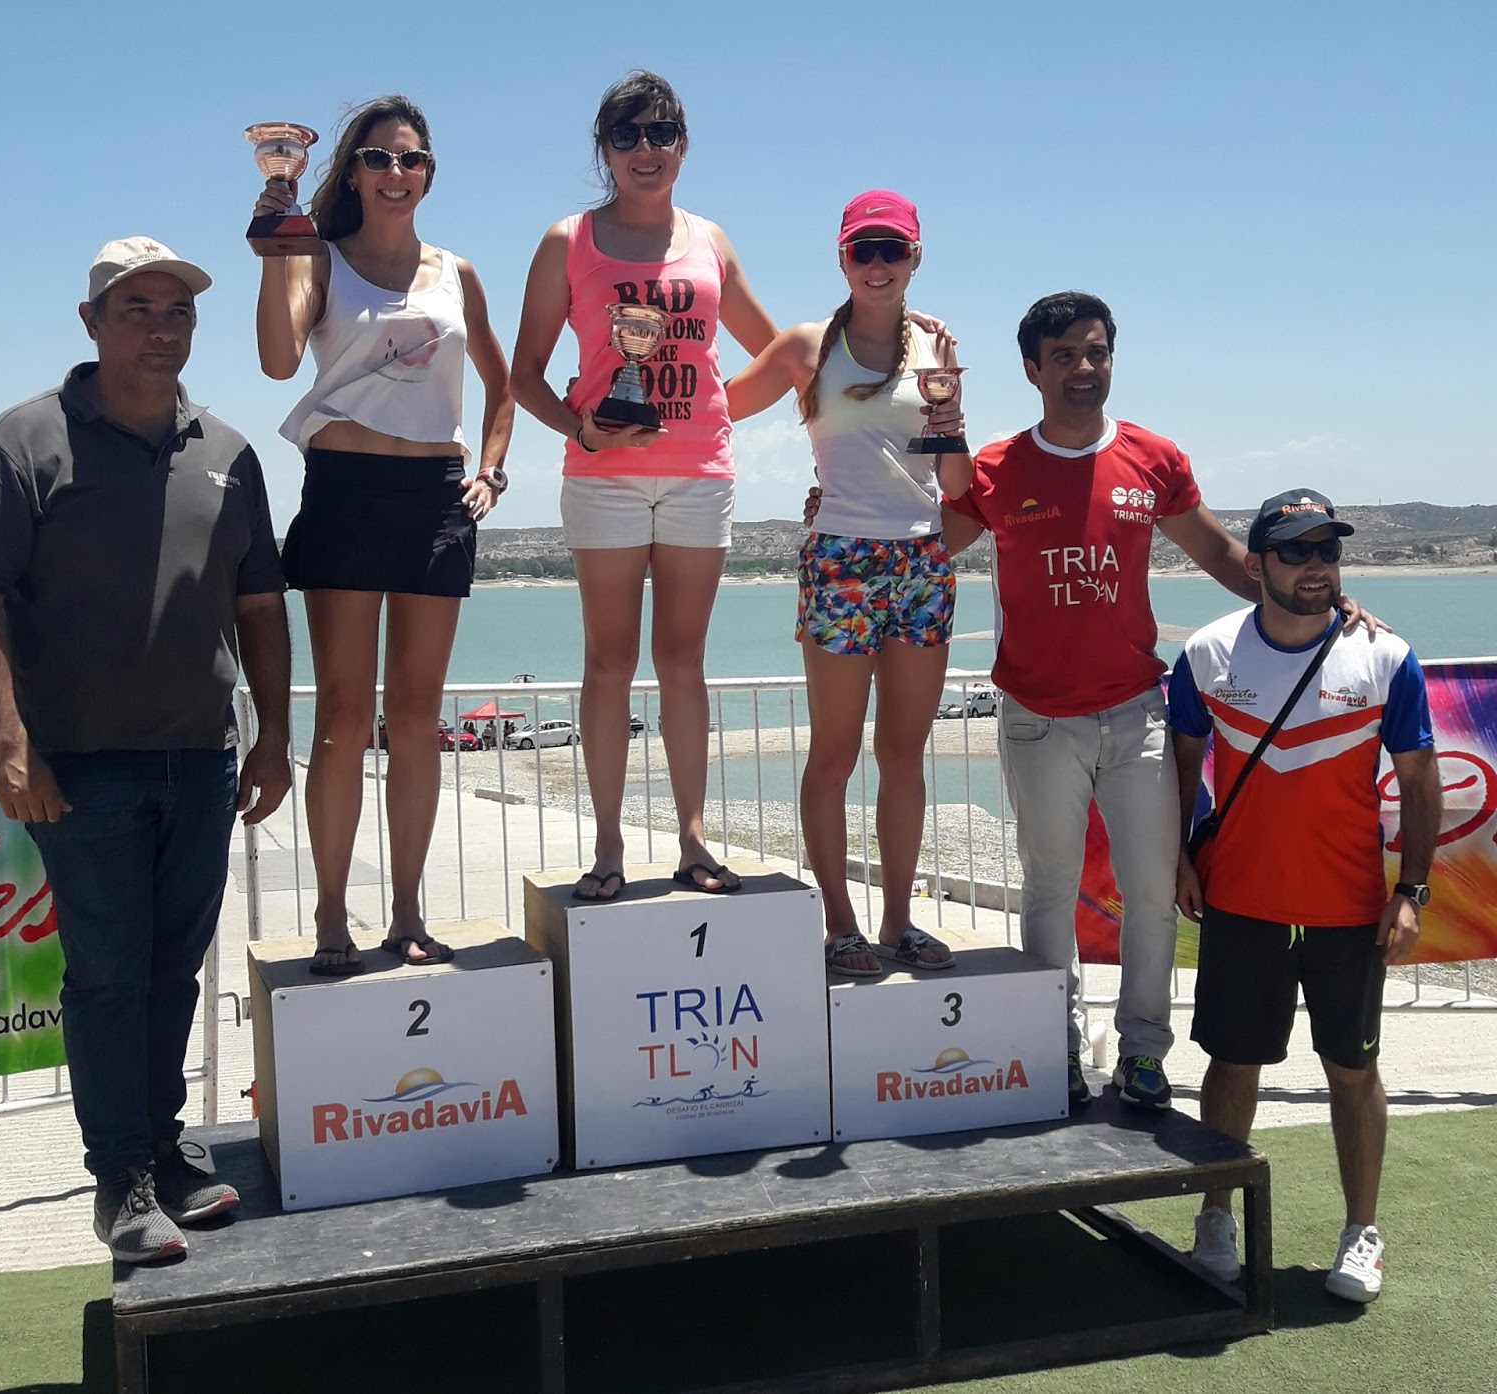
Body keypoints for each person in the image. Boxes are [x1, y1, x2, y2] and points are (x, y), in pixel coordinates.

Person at [922, 291, 1380, 1110]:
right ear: (1031, 370)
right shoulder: (997, 468)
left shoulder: (1153, 458)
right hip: (1036, 720)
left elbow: (1222, 554)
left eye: (1097, 352)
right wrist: (841, 520)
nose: (1084, 368)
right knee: (1050, 892)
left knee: (1151, 893)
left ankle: (1141, 1054)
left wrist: (1317, 597)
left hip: (1137, 713)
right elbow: (927, 550)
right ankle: (1055, 1050)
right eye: (1064, 355)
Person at [0, 237, 292, 1263]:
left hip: (201, 759)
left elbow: (260, 604)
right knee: (107, 976)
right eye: (136, 309)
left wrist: (273, 735)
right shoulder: (21, 442)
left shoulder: (230, 453)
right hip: (82, 766)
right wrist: (9, 742)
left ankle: (166, 1152)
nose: (159, 328)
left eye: (177, 311)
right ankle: (120, 1178)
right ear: (91, 321)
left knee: (173, 971)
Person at [254, 95, 514, 973]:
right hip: (345, 487)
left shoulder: (457, 272)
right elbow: (278, 361)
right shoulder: (319, 258)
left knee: (414, 717)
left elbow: (503, 384)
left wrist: (491, 469)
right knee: (340, 713)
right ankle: (331, 912)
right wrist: (278, 251)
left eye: (411, 159)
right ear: (354, 172)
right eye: (379, 158)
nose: (396, 173)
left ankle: (407, 911)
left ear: (429, 173)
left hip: (434, 496)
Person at [510, 70, 778, 902]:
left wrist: (718, 411)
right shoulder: (568, 241)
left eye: (660, 132)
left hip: (699, 477)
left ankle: (694, 839)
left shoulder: (710, 240)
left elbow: (777, 352)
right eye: (625, 135)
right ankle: (608, 844)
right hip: (604, 480)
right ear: (604, 149)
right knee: (608, 663)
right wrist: (580, 428)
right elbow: (524, 375)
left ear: (683, 145)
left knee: (684, 663)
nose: (645, 149)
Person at [1169, 490, 1439, 1302]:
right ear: (1257, 565)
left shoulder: (1385, 656)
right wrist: (1179, 855)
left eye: (1328, 549)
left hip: (1348, 909)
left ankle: (1361, 1233)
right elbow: (1181, 766)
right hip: (1241, 900)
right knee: (1233, 1063)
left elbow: (1420, 783)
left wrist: (1411, 890)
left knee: (1353, 1071)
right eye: (1295, 550)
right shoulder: (1206, 654)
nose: (1316, 566)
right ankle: (1215, 1216)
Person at [726, 191, 971, 975]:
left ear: (915, 257)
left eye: (891, 249)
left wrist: (952, 421)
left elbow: (956, 485)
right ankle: (839, 922)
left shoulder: (936, 348)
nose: (877, 264)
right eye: (863, 250)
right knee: (834, 753)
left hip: (922, 561)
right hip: (841, 561)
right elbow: (716, 408)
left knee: (903, 755)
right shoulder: (807, 346)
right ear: (841, 258)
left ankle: (899, 922)